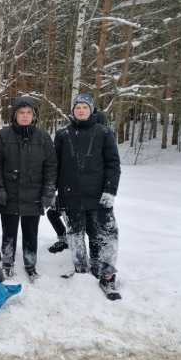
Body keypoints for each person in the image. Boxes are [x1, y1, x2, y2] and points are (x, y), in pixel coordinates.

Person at [55, 93, 122, 300]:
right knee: (75, 234)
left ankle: (106, 273)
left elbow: (113, 164)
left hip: (99, 196)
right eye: (78, 107)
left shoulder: (104, 133)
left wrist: (110, 191)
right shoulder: (63, 135)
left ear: (92, 110)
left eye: (85, 107)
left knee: (106, 234)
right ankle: (81, 270)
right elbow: (55, 166)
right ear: (73, 110)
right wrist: (56, 193)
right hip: (71, 195)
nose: (81, 110)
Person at [0, 95, 57, 282]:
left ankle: (30, 264)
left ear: (34, 116)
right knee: (9, 231)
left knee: (31, 232)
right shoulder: (3, 136)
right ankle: (8, 262)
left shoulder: (43, 137)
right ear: (15, 115)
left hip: (34, 194)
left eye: (29, 112)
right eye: (21, 112)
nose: (25, 116)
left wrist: (48, 191)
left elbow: (51, 166)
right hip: (9, 193)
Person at [47, 105, 109, 254]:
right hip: (69, 193)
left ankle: (97, 258)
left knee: (91, 227)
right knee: (53, 213)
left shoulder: (102, 137)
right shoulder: (68, 136)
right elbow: (59, 164)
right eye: (79, 108)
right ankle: (64, 238)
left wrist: (107, 191)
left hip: (93, 196)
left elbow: (109, 167)